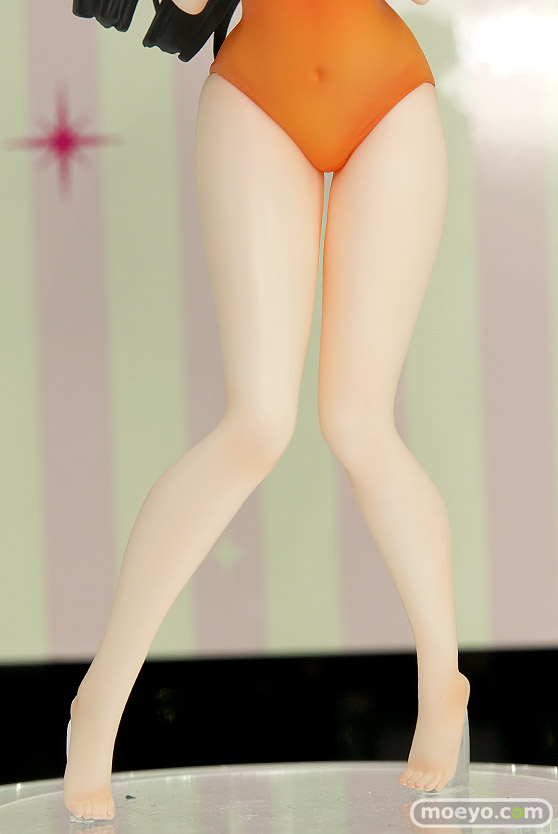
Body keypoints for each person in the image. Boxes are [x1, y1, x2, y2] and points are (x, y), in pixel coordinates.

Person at [64, 0, 470, 821]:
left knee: (359, 421)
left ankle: (442, 677)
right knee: (255, 425)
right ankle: (101, 696)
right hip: (257, 97)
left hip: (387, 97)